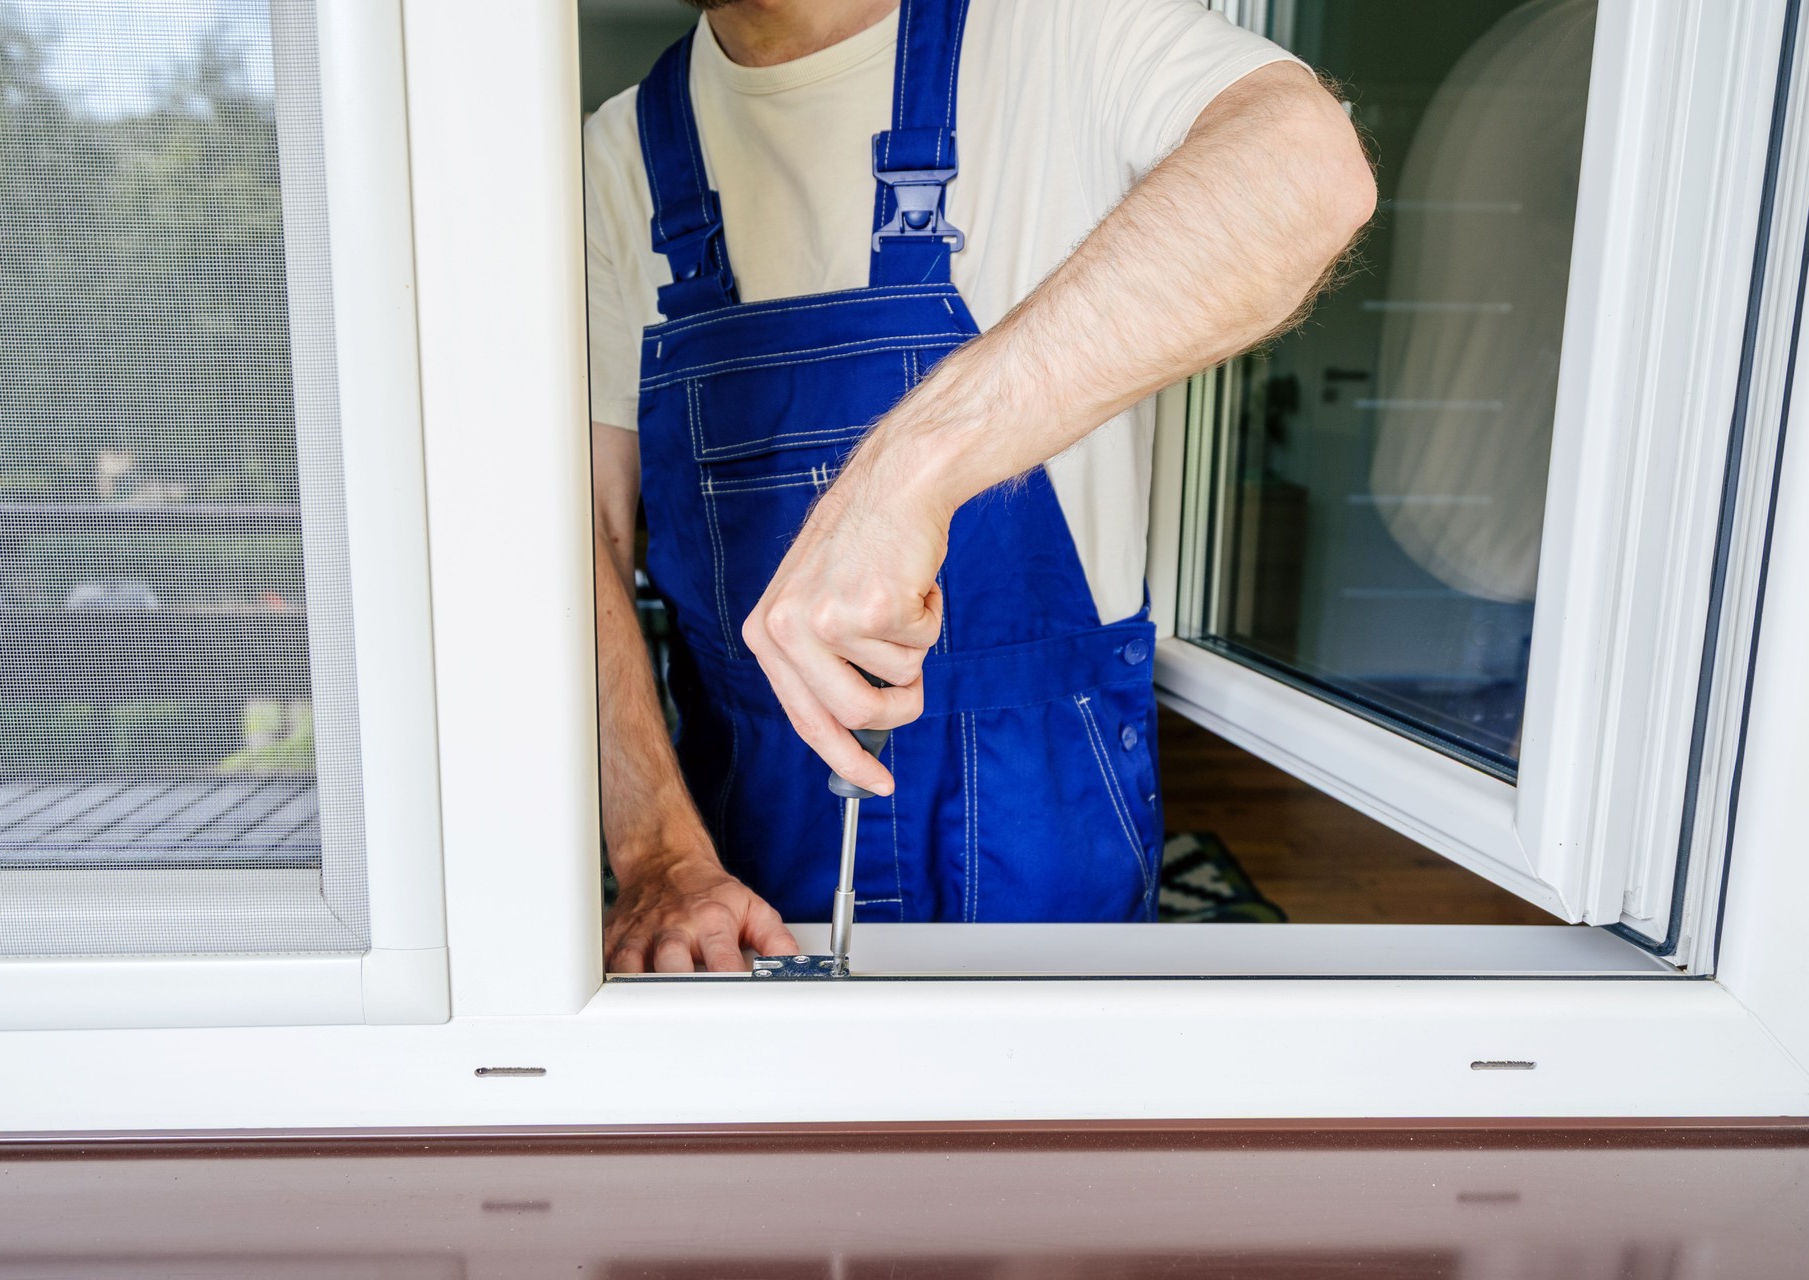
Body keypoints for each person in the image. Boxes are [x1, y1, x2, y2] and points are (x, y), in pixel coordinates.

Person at [585, 0, 1374, 972]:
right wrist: (654, 846)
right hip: (738, 881)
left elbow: (1305, 167)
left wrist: (905, 475)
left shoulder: (1064, 33)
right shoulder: (616, 158)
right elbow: (582, 537)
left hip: (1046, 834)